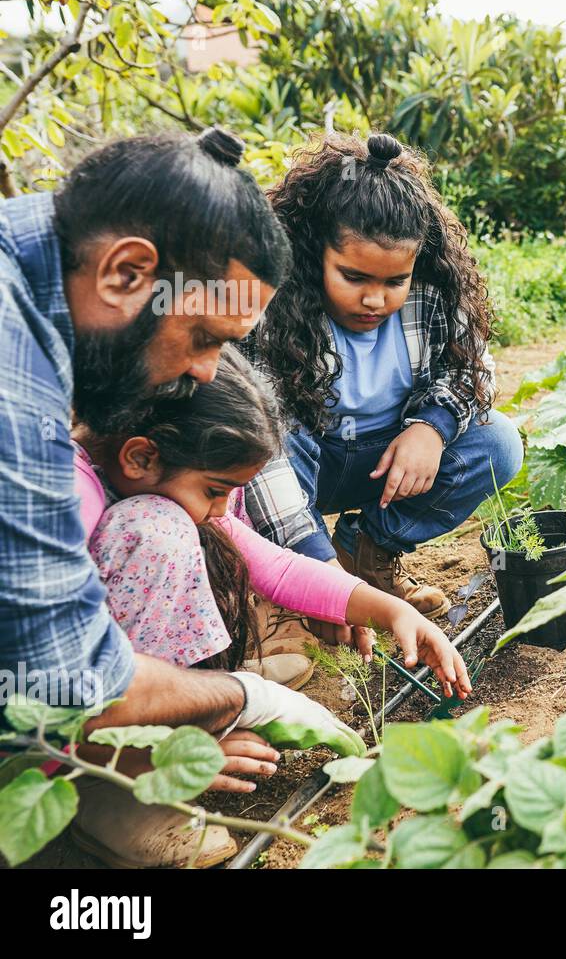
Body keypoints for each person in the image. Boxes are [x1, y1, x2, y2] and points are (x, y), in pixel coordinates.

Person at [0, 128, 444, 867]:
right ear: (127, 273)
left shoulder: (40, 252)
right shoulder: (17, 401)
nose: (207, 374)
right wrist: (243, 698)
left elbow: (253, 544)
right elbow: (73, 682)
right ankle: (105, 809)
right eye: (204, 336)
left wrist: (369, 602)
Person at [74, 347, 473, 703]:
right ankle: (161, 713)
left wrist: (392, 613)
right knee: (161, 529)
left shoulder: (158, 484)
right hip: (77, 709)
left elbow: (278, 569)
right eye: (214, 490)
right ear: (141, 457)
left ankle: (173, 704)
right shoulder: (74, 497)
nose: (219, 509)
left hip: (115, 689)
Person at [243, 133, 522, 635]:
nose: (376, 299)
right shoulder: (273, 302)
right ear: (314, 255)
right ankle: (288, 589)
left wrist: (431, 429)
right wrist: (318, 577)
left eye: (395, 282)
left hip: (386, 464)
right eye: (354, 278)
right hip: (300, 468)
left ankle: (367, 552)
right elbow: (260, 442)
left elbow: (473, 370)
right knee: (257, 443)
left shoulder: (435, 292)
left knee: (497, 442)